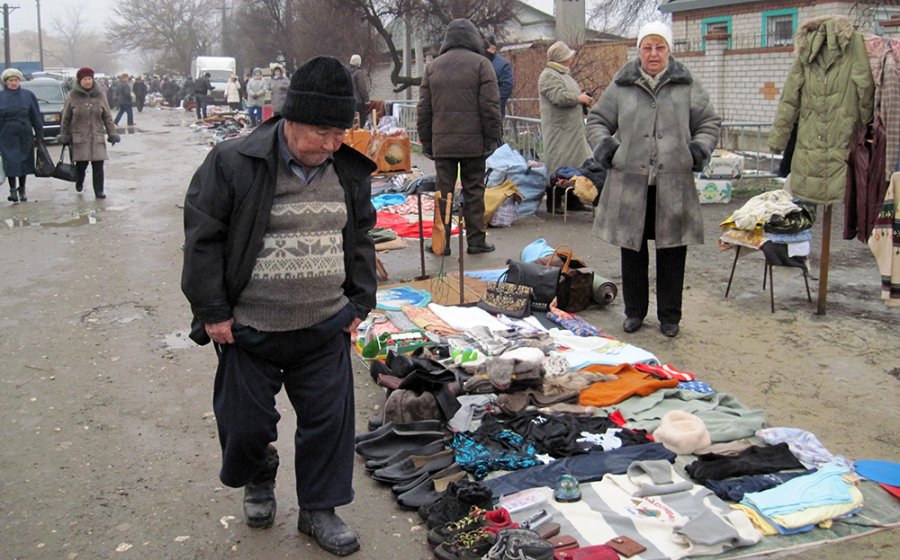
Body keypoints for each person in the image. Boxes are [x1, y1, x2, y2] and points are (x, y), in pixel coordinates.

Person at [181, 56, 376, 557]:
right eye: (323, 133)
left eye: (341, 134)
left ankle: (319, 509)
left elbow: (360, 240)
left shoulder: (348, 173)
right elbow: (203, 240)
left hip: (323, 326)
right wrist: (213, 311)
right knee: (243, 427)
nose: (332, 145)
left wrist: (358, 302)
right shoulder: (232, 163)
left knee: (328, 426)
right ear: (291, 119)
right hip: (250, 329)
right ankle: (259, 473)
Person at [586, 22, 721, 338]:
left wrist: (697, 151)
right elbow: (597, 120)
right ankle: (635, 312)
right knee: (632, 251)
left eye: (660, 47)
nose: (653, 53)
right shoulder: (622, 84)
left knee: (672, 251)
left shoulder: (686, 84)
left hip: (673, 183)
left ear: (669, 50)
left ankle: (670, 316)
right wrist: (609, 150)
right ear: (639, 50)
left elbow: (709, 122)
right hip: (630, 184)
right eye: (647, 47)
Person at [417, 18, 502, 255]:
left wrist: (426, 141)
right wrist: (492, 138)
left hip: (443, 143)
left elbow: (424, 108)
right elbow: (490, 107)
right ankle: (476, 241)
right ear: (474, 38)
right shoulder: (482, 64)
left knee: (443, 192)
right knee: (474, 190)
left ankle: (441, 242)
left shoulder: (433, 67)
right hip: (474, 144)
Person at [58, 67, 121, 199]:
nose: (87, 82)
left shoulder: (100, 95)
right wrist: (64, 135)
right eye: (85, 79)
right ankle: (79, 181)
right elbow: (66, 118)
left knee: (98, 166)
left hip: (97, 135)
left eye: (89, 79)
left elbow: (107, 117)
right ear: (80, 81)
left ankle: (99, 191)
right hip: (79, 137)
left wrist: (112, 134)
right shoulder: (72, 96)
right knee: (82, 165)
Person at [539, 41, 593, 186]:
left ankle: (574, 199)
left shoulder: (563, 74)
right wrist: (579, 98)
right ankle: (554, 200)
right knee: (558, 166)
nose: (571, 58)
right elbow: (559, 97)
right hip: (559, 131)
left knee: (575, 166)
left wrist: (581, 99)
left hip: (571, 131)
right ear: (561, 57)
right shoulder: (548, 76)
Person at [0, 68, 44, 203]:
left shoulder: (28, 95)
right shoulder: (1, 96)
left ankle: (22, 189)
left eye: (16, 80)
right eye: (11, 80)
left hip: (25, 132)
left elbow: (35, 115)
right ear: (6, 82)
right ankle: (12, 189)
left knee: (24, 160)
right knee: (11, 161)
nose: (14, 83)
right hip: (6, 133)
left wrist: (39, 134)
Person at [484, 34, 514, 118]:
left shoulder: (502, 65)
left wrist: (494, 102)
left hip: (495, 111)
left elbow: (507, 86)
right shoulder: (480, 62)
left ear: (493, 48)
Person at [348, 54, 370, 127]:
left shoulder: (347, 73)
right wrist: (366, 101)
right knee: (360, 121)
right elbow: (362, 88)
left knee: (351, 122)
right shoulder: (358, 73)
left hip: (348, 101)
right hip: (358, 102)